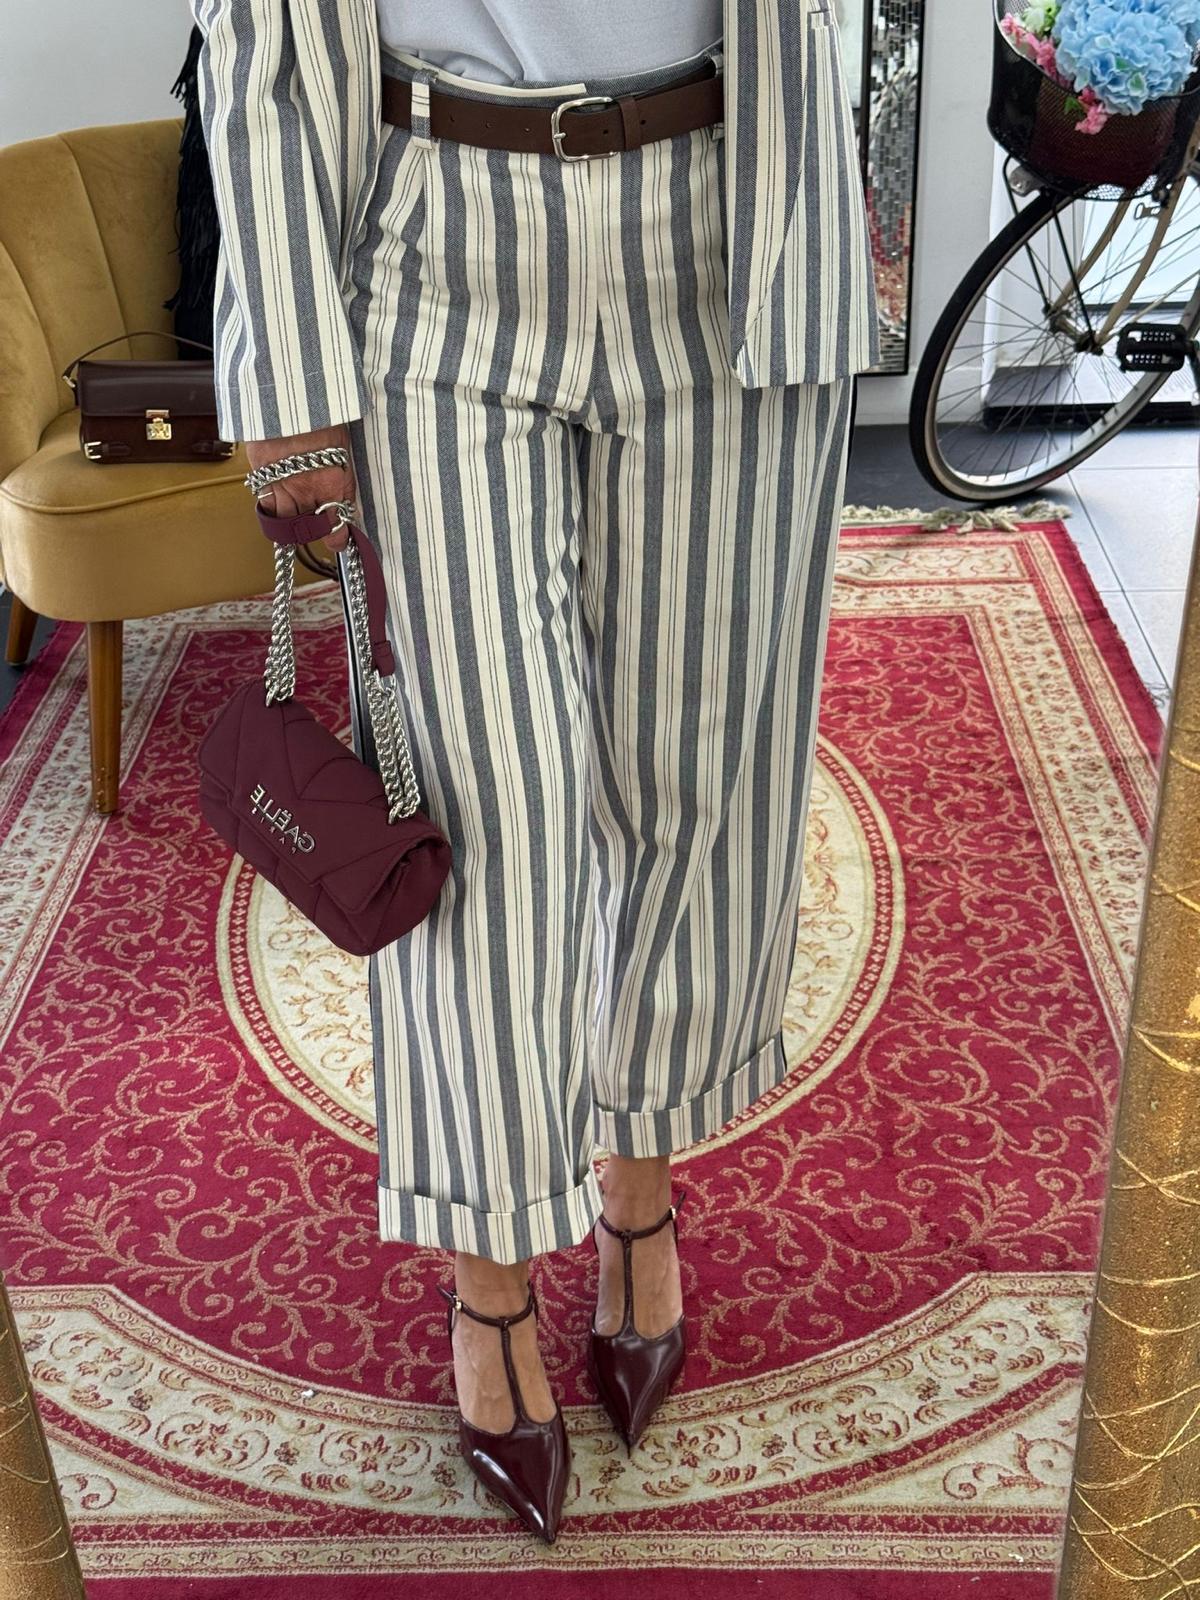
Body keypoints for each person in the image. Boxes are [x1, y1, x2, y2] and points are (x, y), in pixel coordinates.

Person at [190, 0, 879, 1545]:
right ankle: (491, 1284)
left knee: (702, 776)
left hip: (733, 213)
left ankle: (640, 1187)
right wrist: (286, 376)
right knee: (489, 822)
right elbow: (254, 32)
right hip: (440, 229)